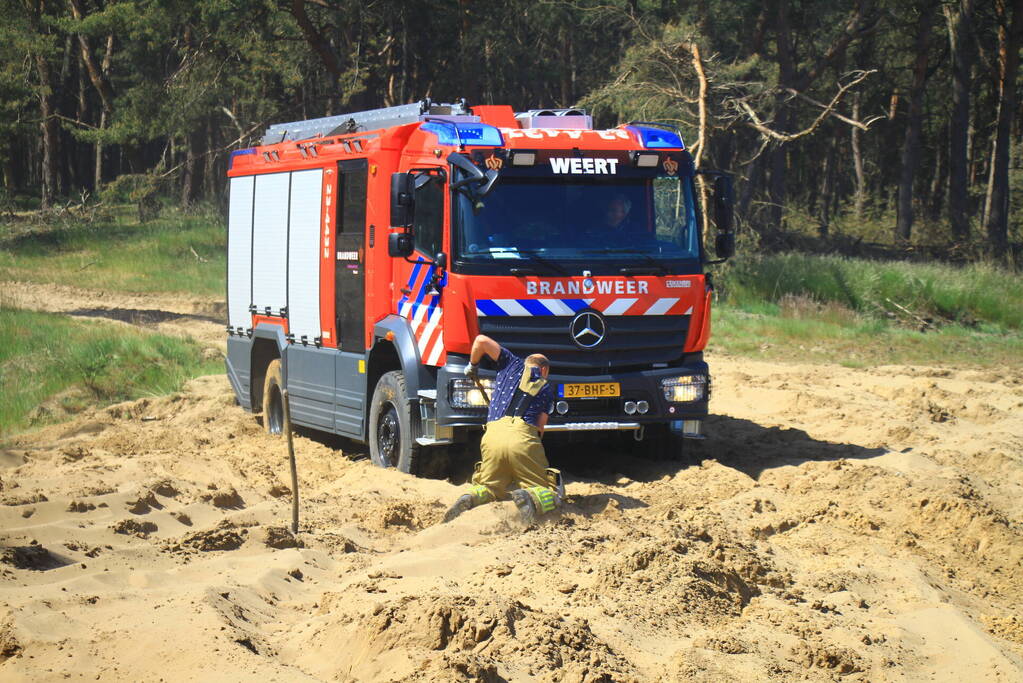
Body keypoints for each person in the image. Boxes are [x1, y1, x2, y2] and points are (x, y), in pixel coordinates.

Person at [443, 334, 563, 525]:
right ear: (544, 370)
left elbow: (480, 340)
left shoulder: (510, 363)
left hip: (492, 436)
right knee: (546, 490)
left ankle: (471, 498)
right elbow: (540, 427)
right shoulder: (547, 387)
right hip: (523, 438)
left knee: (489, 487)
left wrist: (473, 366)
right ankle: (530, 497)